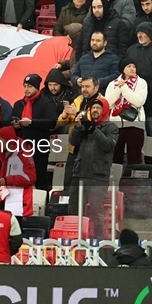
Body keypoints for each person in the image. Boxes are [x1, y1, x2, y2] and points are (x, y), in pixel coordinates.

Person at [67, 97, 118, 238]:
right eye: (93, 108)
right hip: (79, 174)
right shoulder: (85, 126)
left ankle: (99, 244)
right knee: (74, 209)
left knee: (96, 211)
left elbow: (108, 145)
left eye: (98, 108)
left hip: (98, 176)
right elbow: (72, 142)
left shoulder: (111, 127)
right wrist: (78, 127)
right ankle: (74, 240)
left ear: (105, 110)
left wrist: (92, 129)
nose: (95, 110)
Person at [105, 61, 148, 167]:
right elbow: (108, 103)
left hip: (135, 124)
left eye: (134, 66)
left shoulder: (141, 83)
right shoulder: (113, 84)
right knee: (115, 157)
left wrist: (124, 88)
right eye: (129, 66)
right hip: (116, 125)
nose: (132, 69)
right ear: (123, 68)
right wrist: (119, 88)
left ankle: (133, 182)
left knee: (134, 157)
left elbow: (139, 101)